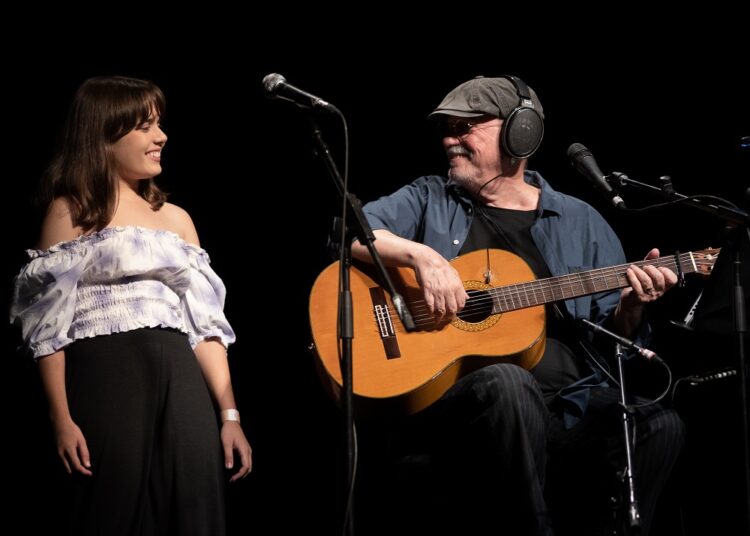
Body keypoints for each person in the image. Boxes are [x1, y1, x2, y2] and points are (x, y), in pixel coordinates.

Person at [351, 75, 685, 535]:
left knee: (659, 422)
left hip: (568, 404)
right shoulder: (430, 196)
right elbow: (355, 233)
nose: (450, 139)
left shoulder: (580, 220)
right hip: (463, 404)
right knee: (510, 383)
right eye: (446, 128)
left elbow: (616, 352)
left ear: (519, 132)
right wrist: (421, 256)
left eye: (465, 127)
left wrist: (630, 309)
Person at [9, 75, 251, 535]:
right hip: (107, 373)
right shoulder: (71, 212)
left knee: (196, 503)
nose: (161, 137)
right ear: (103, 137)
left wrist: (229, 415)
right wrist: (60, 418)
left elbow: (206, 328)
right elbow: (45, 328)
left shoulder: (177, 219)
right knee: (112, 507)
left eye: (159, 124)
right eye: (144, 127)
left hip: (181, 377)